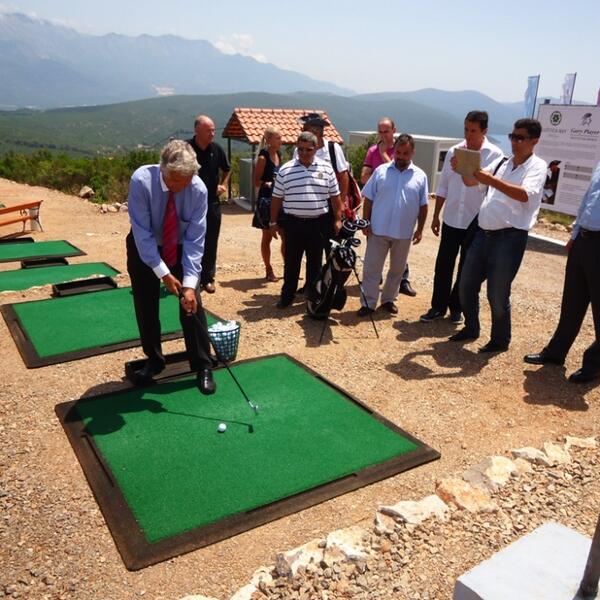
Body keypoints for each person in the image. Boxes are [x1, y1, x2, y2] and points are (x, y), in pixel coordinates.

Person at [450, 118, 547, 353]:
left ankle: (500, 339)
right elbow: (473, 183)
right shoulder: (503, 162)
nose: (514, 142)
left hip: (509, 238)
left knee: (497, 292)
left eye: (520, 138)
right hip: (483, 233)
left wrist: (491, 180)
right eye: (513, 136)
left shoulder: (537, 166)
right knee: (466, 284)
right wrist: (461, 169)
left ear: (534, 141)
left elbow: (525, 195)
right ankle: (471, 327)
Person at [126, 140, 215, 394]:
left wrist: (189, 284)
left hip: (180, 245)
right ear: (162, 169)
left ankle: (202, 365)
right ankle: (154, 360)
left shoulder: (197, 188)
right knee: (145, 303)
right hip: (145, 246)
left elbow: (195, 241)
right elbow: (141, 233)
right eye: (176, 180)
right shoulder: (141, 181)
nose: (181, 186)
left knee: (191, 302)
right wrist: (163, 273)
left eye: (187, 179)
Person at [420, 111, 503, 324]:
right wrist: (436, 216)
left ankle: (456, 307)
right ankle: (437, 306)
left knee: (466, 268)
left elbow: (492, 187)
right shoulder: (454, 151)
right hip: (451, 218)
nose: (468, 135)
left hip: (475, 221)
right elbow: (443, 186)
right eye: (466, 129)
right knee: (443, 265)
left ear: (484, 131)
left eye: (473, 131)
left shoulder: (495, 155)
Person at [524, 161, 600, 383]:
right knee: (571, 303)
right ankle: (556, 352)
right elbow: (587, 201)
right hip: (584, 240)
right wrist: (575, 234)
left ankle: (595, 364)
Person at [358, 133, 428, 316]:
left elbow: (423, 206)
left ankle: (388, 300)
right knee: (372, 268)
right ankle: (368, 303)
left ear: (412, 153)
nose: (401, 157)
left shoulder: (420, 176)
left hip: (403, 233)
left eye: (406, 153)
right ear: (394, 151)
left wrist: (420, 229)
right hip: (378, 230)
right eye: (398, 152)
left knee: (397, 270)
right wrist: (365, 221)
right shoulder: (380, 171)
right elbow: (369, 198)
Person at [270, 131, 342, 309]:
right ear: (297, 148)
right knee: (291, 261)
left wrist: (338, 219)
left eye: (308, 149)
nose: (304, 153)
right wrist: (273, 222)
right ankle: (287, 296)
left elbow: (335, 197)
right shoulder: (285, 170)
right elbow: (276, 198)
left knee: (315, 263)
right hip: (293, 223)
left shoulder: (326, 169)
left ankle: (312, 296)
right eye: (300, 149)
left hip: (318, 223)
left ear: (315, 148)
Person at [361, 117, 416, 297]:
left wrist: (384, 155)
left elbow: (398, 171)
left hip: (400, 211)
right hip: (380, 206)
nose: (383, 135)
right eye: (380, 131)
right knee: (375, 253)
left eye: (386, 131)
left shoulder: (400, 149)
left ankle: (402, 282)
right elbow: (364, 177)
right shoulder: (372, 151)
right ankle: (373, 284)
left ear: (394, 130)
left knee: (399, 255)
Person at [187, 114, 230, 294]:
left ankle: (207, 278)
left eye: (213, 130)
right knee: (187, 240)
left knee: (210, 241)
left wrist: (224, 185)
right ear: (197, 130)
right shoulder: (185, 149)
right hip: (188, 203)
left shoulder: (216, 149)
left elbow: (227, 169)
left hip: (212, 203)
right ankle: (186, 277)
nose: (212, 134)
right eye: (208, 131)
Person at [252, 126, 283, 282]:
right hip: (266, 201)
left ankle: (289, 268)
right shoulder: (263, 158)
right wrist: (267, 183)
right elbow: (255, 181)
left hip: (279, 199)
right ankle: (268, 269)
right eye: (278, 138)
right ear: (269, 140)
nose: (281, 140)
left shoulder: (278, 155)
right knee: (267, 237)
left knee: (285, 235)